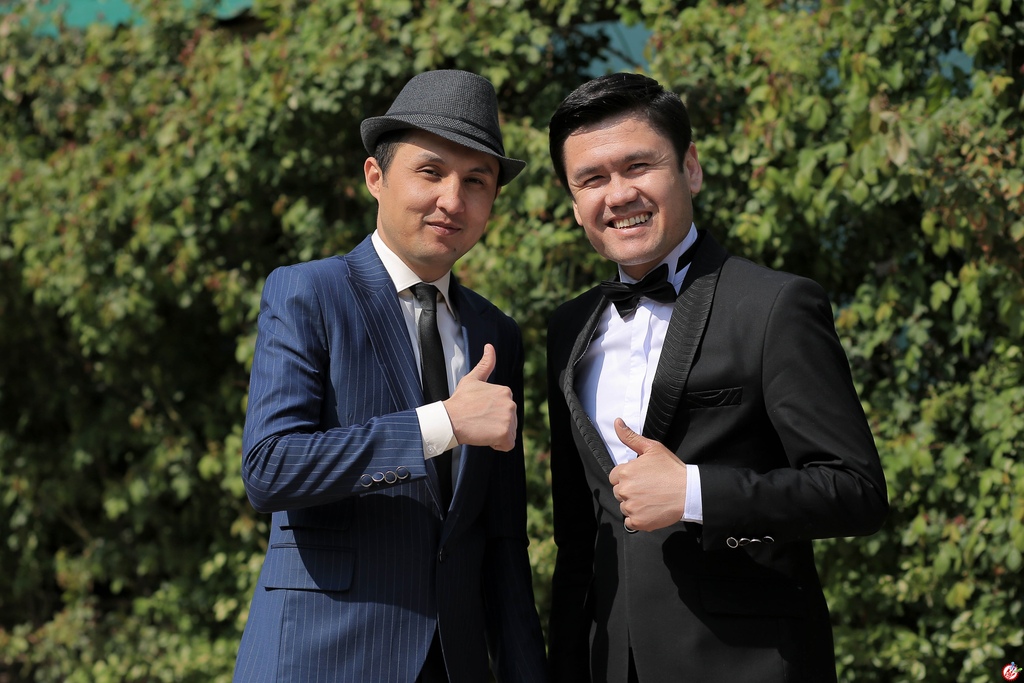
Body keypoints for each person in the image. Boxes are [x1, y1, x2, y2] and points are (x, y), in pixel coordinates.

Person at [544, 72, 889, 683]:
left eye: (638, 167)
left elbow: (855, 491)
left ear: (691, 168)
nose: (618, 194)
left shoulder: (775, 306)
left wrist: (695, 492)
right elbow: (578, 537)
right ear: (574, 203)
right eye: (592, 179)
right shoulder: (568, 329)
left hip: (748, 663)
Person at [233, 69, 547, 683]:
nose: (452, 200)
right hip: (322, 660)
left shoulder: (497, 334)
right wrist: (442, 424)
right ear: (375, 177)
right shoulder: (307, 293)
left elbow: (504, 540)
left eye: (476, 181)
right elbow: (269, 468)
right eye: (430, 172)